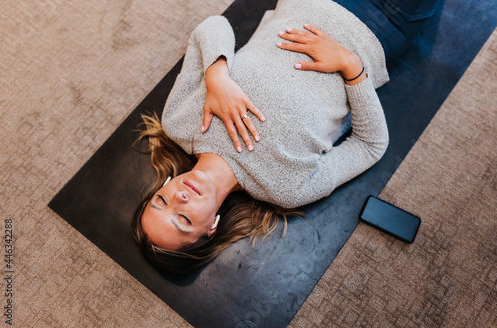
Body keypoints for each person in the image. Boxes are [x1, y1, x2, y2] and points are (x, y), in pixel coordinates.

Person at [132, 0, 439, 274]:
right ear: (211, 228)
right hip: (380, 25)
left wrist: (218, 76)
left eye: (161, 200)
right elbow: (370, 146)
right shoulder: (285, 189)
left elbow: (212, 26)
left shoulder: (180, 124)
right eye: (184, 219)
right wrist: (351, 65)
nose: (179, 198)